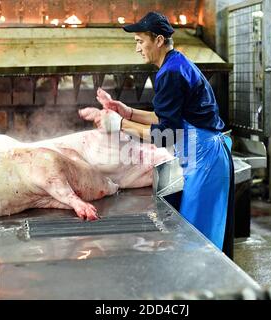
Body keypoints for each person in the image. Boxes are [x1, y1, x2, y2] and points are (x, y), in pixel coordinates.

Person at [85, 12, 234, 256]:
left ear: (159, 40)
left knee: (199, 244)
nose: (137, 49)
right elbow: (168, 117)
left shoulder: (171, 73)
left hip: (204, 157)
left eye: (140, 41)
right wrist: (128, 112)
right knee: (198, 235)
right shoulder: (175, 64)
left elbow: (167, 134)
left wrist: (118, 124)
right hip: (204, 154)